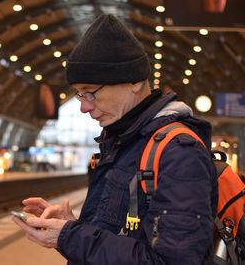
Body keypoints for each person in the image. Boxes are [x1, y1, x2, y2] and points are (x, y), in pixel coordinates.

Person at [12, 14, 218, 264]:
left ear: (134, 81)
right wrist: (72, 226)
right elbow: (122, 237)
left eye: (91, 93)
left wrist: (71, 237)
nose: (84, 108)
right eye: (79, 94)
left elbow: (172, 261)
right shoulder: (124, 142)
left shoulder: (178, 152)